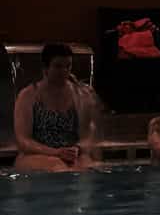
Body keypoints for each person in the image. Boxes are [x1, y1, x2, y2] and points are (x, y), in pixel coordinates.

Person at [12, 43, 101, 172]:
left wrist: (78, 148)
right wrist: (56, 152)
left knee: (89, 169)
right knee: (58, 167)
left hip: (71, 154)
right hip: (36, 155)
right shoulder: (28, 96)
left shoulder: (80, 95)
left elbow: (88, 135)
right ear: (45, 68)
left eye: (68, 66)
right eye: (58, 66)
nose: (64, 71)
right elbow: (23, 141)